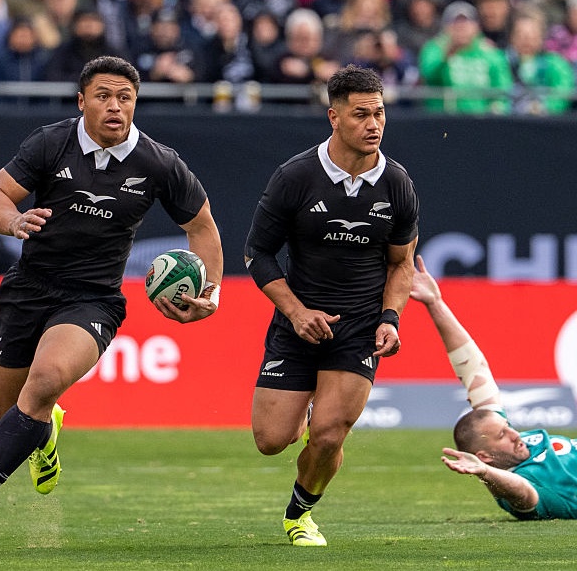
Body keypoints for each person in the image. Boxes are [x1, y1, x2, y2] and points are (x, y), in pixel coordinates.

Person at [0, 55, 223, 540]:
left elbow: (202, 227)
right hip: (28, 289)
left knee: (43, 382)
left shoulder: (157, 162)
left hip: (93, 299)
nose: (115, 107)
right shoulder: (51, 142)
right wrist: (13, 221)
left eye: (125, 98)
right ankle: (45, 434)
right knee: (8, 406)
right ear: (82, 100)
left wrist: (209, 291)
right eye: (104, 96)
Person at [244, 64, 419, 547]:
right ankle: (306, 419)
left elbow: (402, 264)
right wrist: (297, 312)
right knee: (270, 441)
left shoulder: (397, 183)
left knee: (327, 435)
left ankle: (299, 515)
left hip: (359, 328)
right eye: (361, 114)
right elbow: (256, 254)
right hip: (297, 324)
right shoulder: (296, 176)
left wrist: (390, 319)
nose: (374, 124)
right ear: (334, 118)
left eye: (379, 113)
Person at [411, 254, 577, 520]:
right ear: (484, 456)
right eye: (502, 435)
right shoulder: (523, 487)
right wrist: (485, 474)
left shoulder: (513, 444)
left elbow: (475, 370)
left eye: (506, 427)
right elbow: (523, 493)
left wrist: (435, 303)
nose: (513, 433)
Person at [417, 0, 512, 114]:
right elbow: (428, 77)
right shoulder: (434, 49)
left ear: (477, 26)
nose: (461, 27)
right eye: (456, 22)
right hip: (442, 118)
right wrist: (447, 55)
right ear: (445, 26)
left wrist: (497, 109)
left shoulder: (489, 52)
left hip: (483, 121)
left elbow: (503, 87)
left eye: (466, 22)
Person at [505, 10, 575, 115]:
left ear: (542, 37)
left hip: (546, 124)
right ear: (511, 37)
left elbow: (562, 94)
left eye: (532, 34)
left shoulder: (556, 64)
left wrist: (544, 108)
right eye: (520, 34)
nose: (526, 40)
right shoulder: (502, 61)